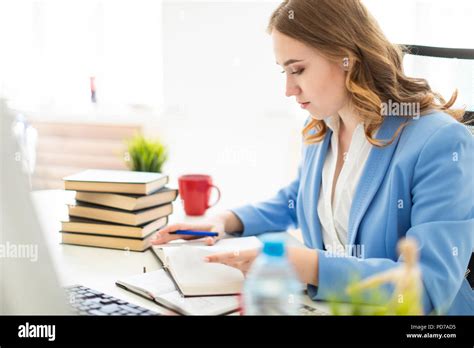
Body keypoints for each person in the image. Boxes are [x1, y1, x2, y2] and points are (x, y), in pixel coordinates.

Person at [151, 0, 473, 315]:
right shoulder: (321, 126)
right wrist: (224, 221)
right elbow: (300, 197)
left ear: (346, 57)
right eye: (284, 72)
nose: (289, 89)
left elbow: (428, 288)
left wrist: (308, 265)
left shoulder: (439, 142)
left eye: (298, 70)